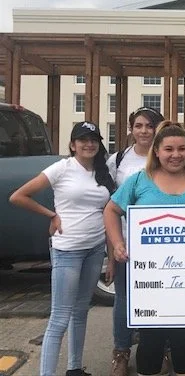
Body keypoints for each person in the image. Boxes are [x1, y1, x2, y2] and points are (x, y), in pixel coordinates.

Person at [103, 122, 185, 376]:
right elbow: (111, 210)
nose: (175, 155)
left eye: (182, 149)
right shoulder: (138, 181)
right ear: (156, 151)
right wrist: (117, 244)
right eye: (168, 149)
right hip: (150, 279)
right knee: (150, 342)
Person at [10, 121, 115, 376]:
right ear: (72, 144)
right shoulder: (62, 168)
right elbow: (18, 196)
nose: (89, 144)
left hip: (94, 248)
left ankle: (74, 367)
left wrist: (111, 258)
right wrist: (51, 215)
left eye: (93, 140)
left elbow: (109, 213)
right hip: (67, 250)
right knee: (59, 317)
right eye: (83, 140)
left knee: (81, 311)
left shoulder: (102, 173)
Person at [106, 107, 164, 376]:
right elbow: (109, 207)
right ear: (131, 128)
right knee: (124, 299)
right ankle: (121, 352)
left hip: (160, 243)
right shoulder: (118, 161)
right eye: (138, 125)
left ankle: (159, 350)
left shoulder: (165, 157)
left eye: (149, 126)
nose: (144, 131)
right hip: (128, 242)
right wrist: (113, 245)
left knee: (157, 298)